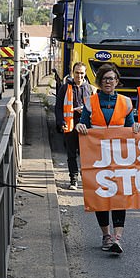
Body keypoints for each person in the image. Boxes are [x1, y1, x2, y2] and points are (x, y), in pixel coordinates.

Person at [75, 63, 140, 254]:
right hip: (97, 157)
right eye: (105, 79)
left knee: (119, 196)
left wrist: (136, 127)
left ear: (117, 81)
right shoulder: (90, 101)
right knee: (102, 196)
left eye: (111, 79)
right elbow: (83, 124)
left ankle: (117, 237)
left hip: (119, 157)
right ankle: (105, 235)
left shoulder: (126, 102)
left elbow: (130, 127)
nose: (108, 82)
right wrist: (80, 127)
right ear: (99, 81)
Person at [54, 62, 93, 190]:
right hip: (70, 125)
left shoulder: (90, 89)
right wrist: (61, 122)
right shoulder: (65, 88)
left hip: (86, 127)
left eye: (82, 73)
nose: (79, 76)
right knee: (71, 154)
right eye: (77, 73)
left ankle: (86, 179)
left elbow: (94, 108)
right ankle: (73, 179)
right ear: (73, 72)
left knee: (86, 155)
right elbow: (58, 107)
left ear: (85, 74)